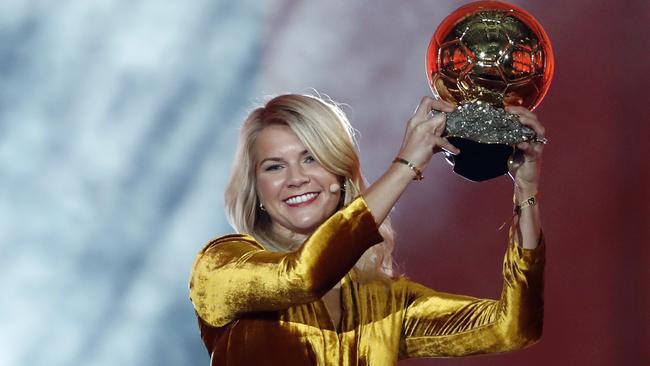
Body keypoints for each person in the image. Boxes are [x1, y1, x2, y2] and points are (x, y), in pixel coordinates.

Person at [189, 94, 545, 365]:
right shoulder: (220, 267)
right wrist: (407, 164)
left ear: (341, 176)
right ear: (257, 190)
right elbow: (302, 277)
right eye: (274, 167)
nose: (296, 179)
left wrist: (526, 190)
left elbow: (512, 327)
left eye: (311, 157)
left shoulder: (384, 302)